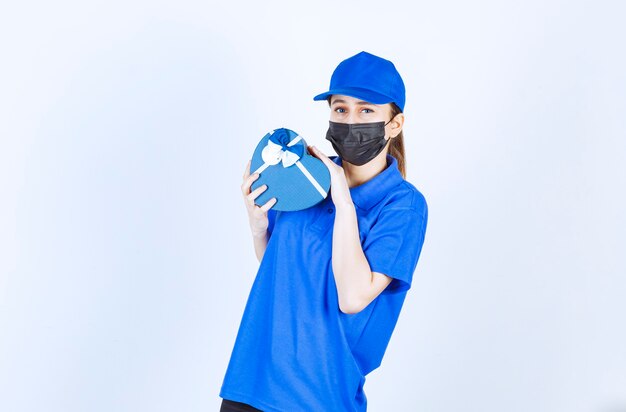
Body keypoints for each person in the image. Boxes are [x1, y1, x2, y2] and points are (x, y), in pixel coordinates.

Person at [219, 51, 428, 412]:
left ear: (394, 124)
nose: (350, 119)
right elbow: (280, 269)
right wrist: (257, 228)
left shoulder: (403, 206)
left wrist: (343, 201)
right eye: (340, 108)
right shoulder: (303, 180)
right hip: (250, 383)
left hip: (318, 397)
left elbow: (353, 296)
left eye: (366, 110)